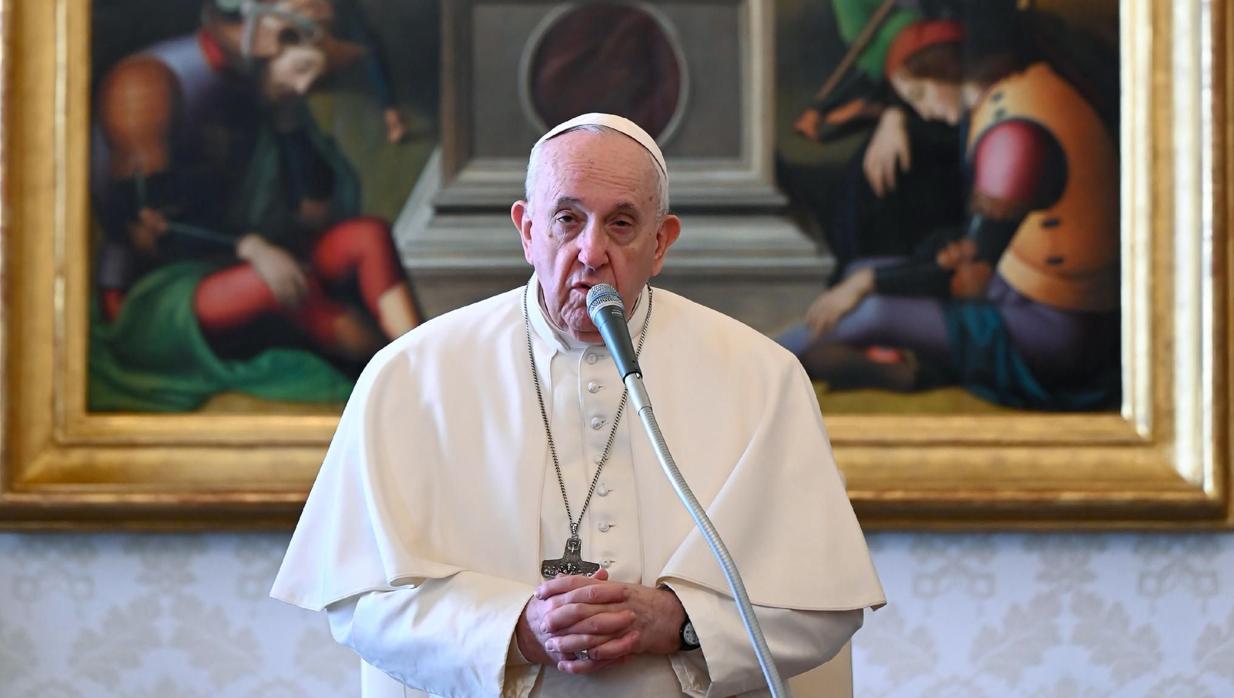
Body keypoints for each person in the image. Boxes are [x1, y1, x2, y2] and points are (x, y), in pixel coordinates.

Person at [271, 113, 885, 697]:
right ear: (527, 230)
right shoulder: (410, 375)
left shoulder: (761, 376)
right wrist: (516, 630)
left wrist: (680, 622)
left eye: (622, 224)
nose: (592, 252)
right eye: (567, 219)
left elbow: (822, 608)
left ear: (661, 242)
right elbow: (359, 601)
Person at [89, 0, 421, 411]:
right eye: (294, 37)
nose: (305, 87)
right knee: (283, 287)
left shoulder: (266, 86)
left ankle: (419, 359)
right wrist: (249, 248)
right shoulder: (148, 84)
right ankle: (404, 384)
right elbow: (147, 231)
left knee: (366, 235)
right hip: (157, 295)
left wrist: (288, 125)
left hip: (255, 261)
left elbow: (312, 212)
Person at [786, 14, 1121, 411]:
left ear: (945, 71)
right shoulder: (1021, 88)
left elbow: (969, 276)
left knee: (872, 306)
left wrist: (864, 285)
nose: (923, 112)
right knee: (866, 270)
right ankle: (887, 369)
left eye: (921, 95)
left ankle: (761, 365)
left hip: (1059, 330)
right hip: (1022, 289)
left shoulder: (1013, 136)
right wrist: (865, 278)